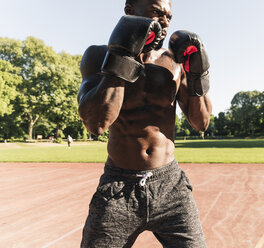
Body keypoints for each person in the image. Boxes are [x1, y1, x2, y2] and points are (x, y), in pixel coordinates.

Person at [77, 0, 212, 247]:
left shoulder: (175, 61)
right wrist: (122, 56)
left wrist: (197, 77)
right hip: (119, 189)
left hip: (171, 186)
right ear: (130, 11)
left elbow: (201, 122)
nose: (165, 21)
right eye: (157, 12)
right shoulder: (98, 56)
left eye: (169, 16)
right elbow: (96, 123)